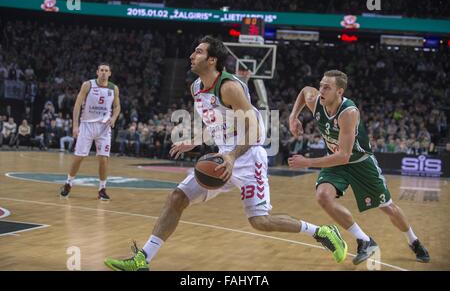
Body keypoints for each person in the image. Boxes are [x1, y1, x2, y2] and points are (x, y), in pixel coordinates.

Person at [104, 36, 347, 271]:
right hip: (223, 157)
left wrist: (232, 156)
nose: (191, 55)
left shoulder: (230, 88)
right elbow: (215, 122)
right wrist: (195, 141)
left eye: (198, 52)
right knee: (177, 197)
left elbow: (254, 131)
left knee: (260, 221)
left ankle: (322, 232)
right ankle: (143, 259)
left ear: (212, 61)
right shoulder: (196, 87)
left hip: (249, 157)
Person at [288, 70, 430, 265]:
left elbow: (344, 156)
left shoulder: (349, 112)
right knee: (322, 196)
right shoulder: (315, 100)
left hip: (359, 162)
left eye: (327, 87)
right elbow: (305, 91)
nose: (321, 90)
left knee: (388, 208)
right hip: (335, 161)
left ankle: (414, 241)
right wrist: (293, 116)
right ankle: (364, 240)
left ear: (339, 92)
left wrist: (308, 162)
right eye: (321, 85)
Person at [60, 63, 121, 200]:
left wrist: (114, 118)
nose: (104, 73)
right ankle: (68, 183)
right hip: (87, 125)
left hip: (104, 128)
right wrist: (75, 126)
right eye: (101, 70)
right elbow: (77, 105)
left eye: (106, 71)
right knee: (79, 157)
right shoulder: (88, 85)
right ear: (97, 72)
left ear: (110, 73)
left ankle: (102, 189)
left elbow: (117, 107)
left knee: (104, 159)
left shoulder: (114, 88)